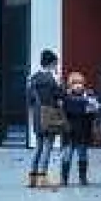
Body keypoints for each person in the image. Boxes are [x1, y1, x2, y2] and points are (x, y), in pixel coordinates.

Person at [25, 49, 64, 188]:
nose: (57, 66)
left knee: (38, 147)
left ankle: (32, 177)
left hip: (37, 115)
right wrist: (59, 83)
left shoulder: (33, 78)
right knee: (48, 146)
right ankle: (42, 177)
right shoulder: (51, 80)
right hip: (49, 115)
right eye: (56, 63)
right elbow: (60, 95)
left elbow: (29, 99)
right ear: (52, 63)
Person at [59, 72, 100, 186]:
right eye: (75, 83)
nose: (78, 86)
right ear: (70, 85)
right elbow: (64, 111)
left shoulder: (89, 94)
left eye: (80, 83)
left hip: (83, 129)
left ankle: (83, 178)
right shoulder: (65, 95)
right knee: (67, 154)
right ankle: (64, 178)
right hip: (69, 130)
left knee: (82, 154)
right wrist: (83, 107)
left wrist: (86, 108)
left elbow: (93, 111)